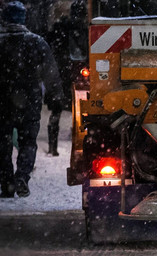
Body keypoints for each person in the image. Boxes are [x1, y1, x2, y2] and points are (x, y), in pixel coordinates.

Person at [0, 1, 64, 198]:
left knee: (2, 144)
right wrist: (56, 98)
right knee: (28, 142)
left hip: (2, 102)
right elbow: (50, 74)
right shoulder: (36, 42)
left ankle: (7, 183)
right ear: (23, 19)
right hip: (29, 102)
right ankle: (22, 177)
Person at [46, 0, 88, 156]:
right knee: (82, 111)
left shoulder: (60, 28)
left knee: (56, 113)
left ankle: (53, 147)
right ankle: (82, 144)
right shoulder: (83, 29)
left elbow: (48, 44)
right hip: (77, 75)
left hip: (58, 75)